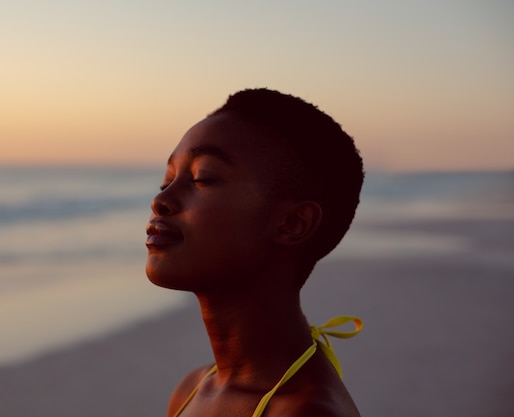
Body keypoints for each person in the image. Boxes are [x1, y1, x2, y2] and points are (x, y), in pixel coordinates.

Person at [145, 88, 364, 417]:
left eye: (202, 178)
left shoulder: (305, 411)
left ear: (292, 222)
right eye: (168, 180)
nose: (161, 201)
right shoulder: (193, 389)